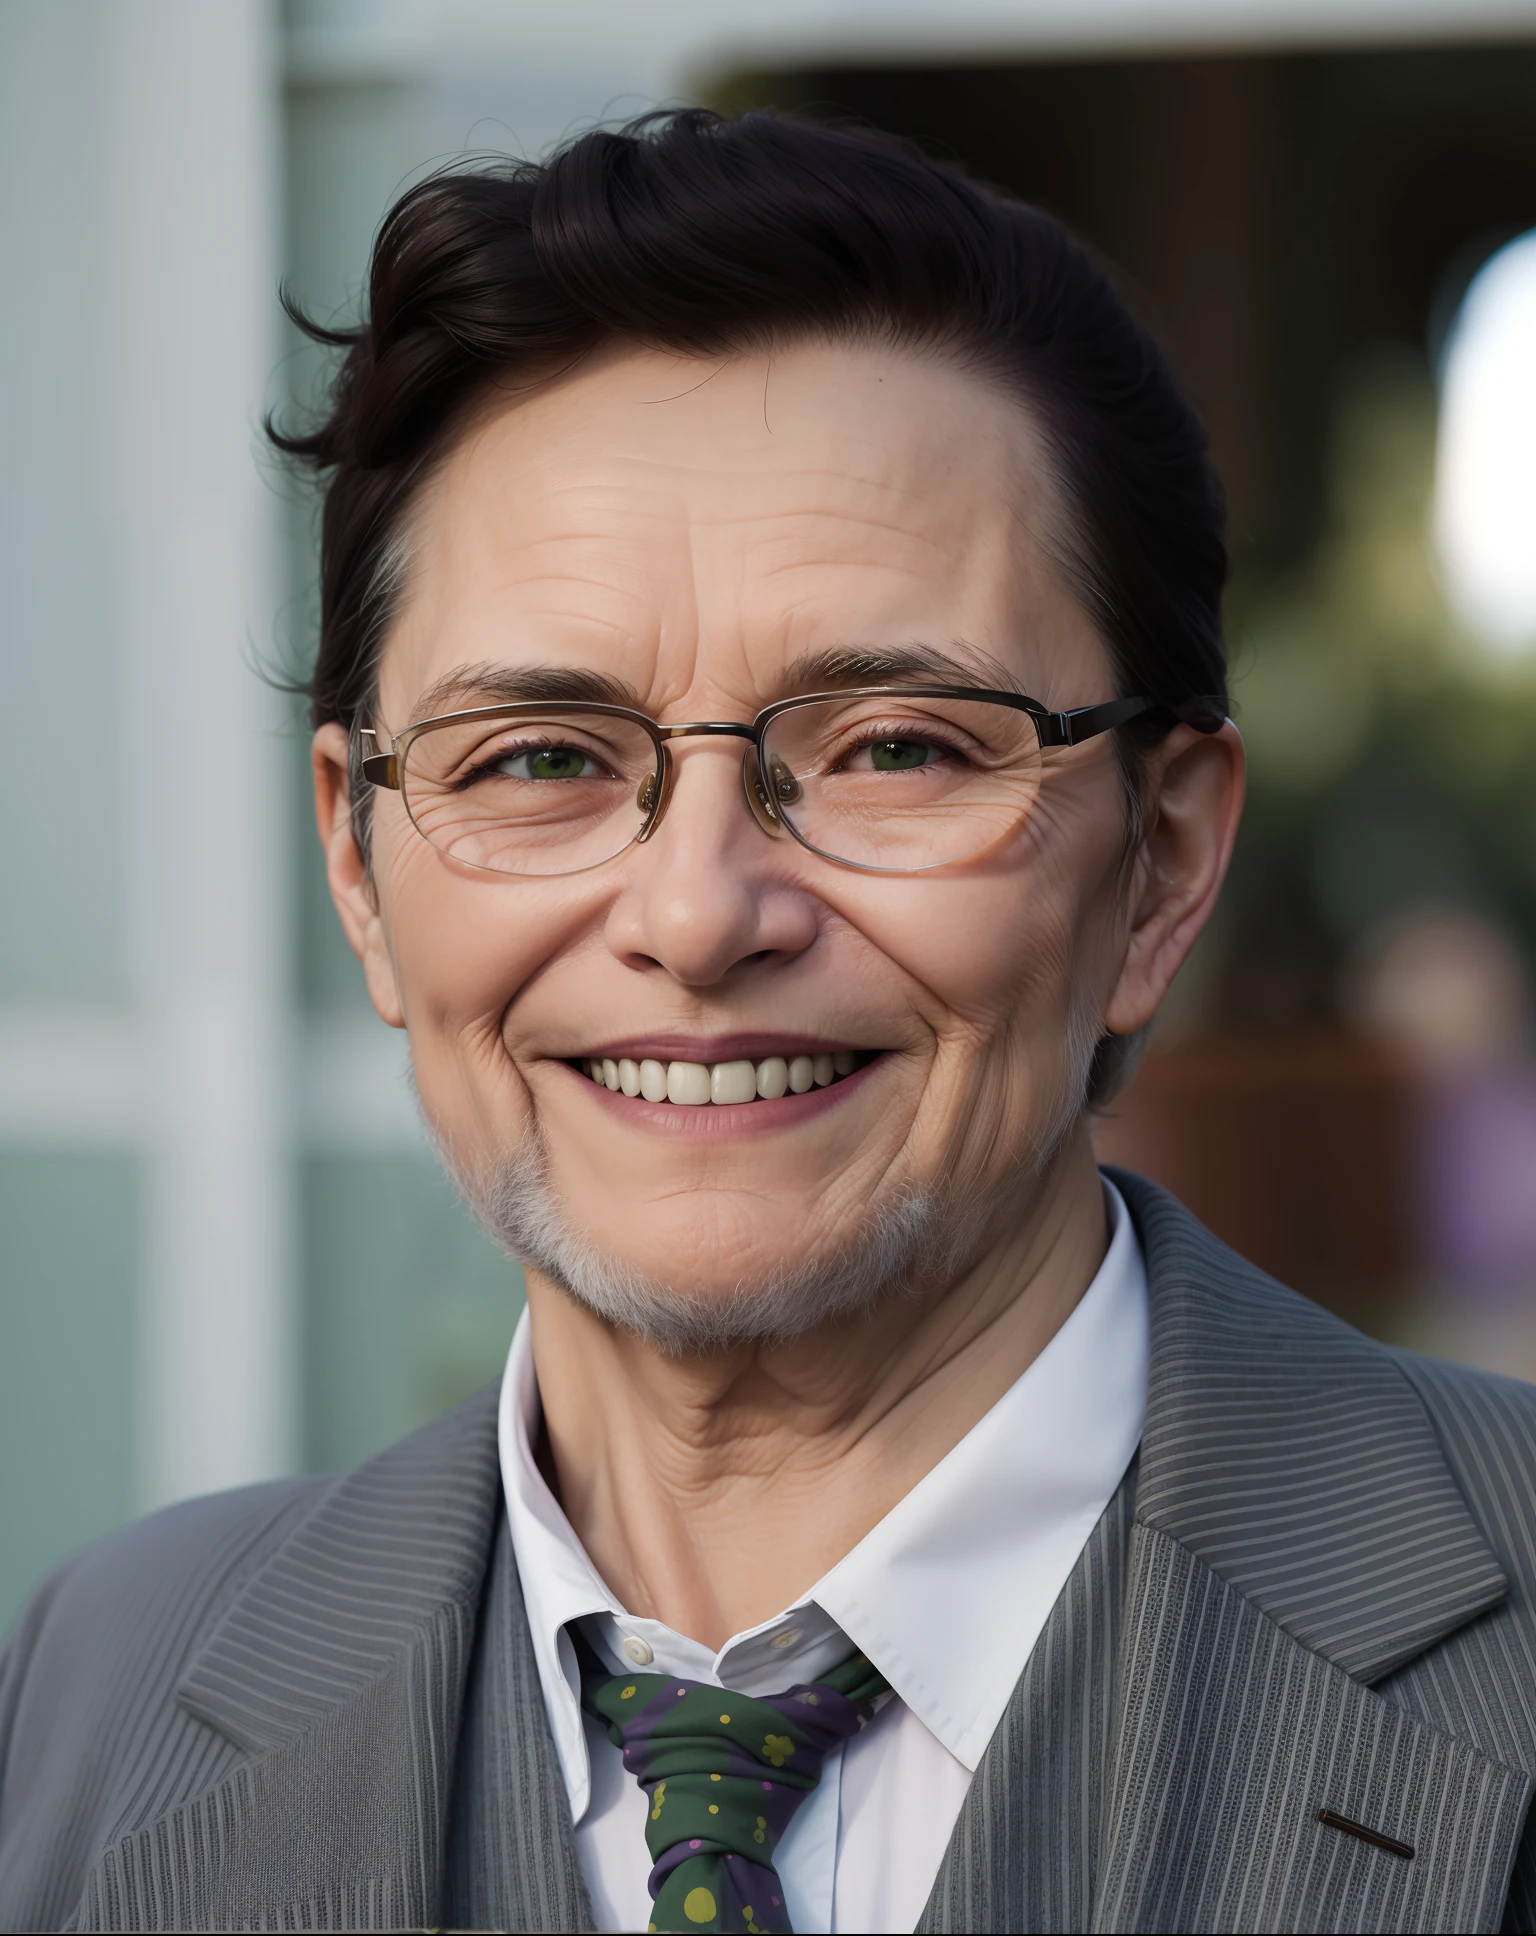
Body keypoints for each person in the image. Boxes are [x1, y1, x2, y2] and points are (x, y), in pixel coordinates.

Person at [4, 111, 1536, 1936]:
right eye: (543, 760)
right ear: (359, 865)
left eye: (895, 747)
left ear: (1165, 862)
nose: (699, 914)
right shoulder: (88, 1694)